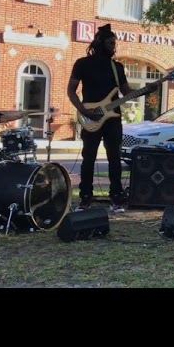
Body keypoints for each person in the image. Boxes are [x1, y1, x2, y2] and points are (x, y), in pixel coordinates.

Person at [67, 24, 133, 213]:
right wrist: (83, 110)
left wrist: (148, 90)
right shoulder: (82, 64)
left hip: (113, 118)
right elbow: (71, 90)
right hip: (91, 116)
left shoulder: (117, 67)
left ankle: (116, 197)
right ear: (100, 43)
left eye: (115, 43)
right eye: (111, 42)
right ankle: (85, 198)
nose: (114, 46)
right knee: (89, 158)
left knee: (114, 158)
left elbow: (126, 92)